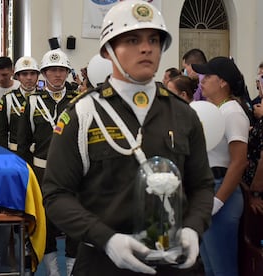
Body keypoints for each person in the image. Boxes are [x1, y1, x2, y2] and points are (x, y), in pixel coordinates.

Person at [41, 1, 214, 275]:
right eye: (133, 40)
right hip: (103, 263)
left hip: (174, 263)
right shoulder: (83, 113)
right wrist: (106, 239)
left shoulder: (183, 114)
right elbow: (56, 194)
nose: (146, 48)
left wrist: (194, 227)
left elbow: (202, 186)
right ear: (108, 50)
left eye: (154, 40)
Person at [17, 49, 80, 276]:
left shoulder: (78, 101)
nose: (57, 75)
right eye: (52, 70)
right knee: (47, 223)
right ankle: (53, 271)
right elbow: (23, 143)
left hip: (73, 172)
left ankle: (72, 271)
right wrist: (26, 174)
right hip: (41, 171)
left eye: (62, 70)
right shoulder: (33, 101)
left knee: (74, 222)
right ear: (44, 73)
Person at [192, 56, 251, 276]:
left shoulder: (232, 112)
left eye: (208, 76)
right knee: (209, 267)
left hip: (221, 189)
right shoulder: (215, 110)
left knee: (222, 269)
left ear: (223, 82)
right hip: (208, 187)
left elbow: (238, 161)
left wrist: (218, 200)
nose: (202, 81)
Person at [0, 56, 40, 152]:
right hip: (14, 154)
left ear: (37, 75)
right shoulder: (7, 99)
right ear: (17, 76)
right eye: (24, 74)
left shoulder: (43, 98)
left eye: (32, 73)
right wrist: (4, 156)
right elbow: (1, 133)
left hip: (38, 153)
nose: (29, 78)